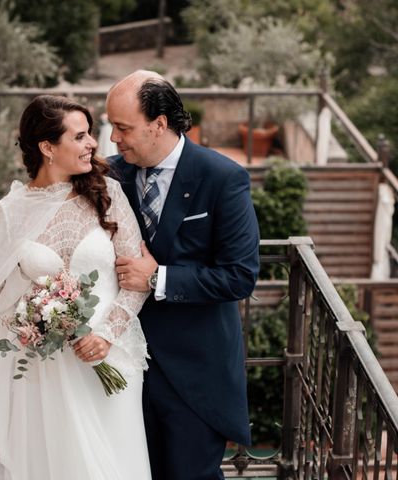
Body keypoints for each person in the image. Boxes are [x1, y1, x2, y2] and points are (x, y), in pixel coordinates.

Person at [0, 95, 152, 480]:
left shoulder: (109, 194)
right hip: (43, 372)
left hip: (109, 359)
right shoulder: (11, 211)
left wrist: (105, 334)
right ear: (48, 147)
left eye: (89, 136)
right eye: (80, 136)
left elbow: (136, 282)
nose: (92, 144)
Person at [106, 70, 260, 480]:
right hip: (122, 369)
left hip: (194, 375)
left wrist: (158, 280)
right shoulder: (109, 176)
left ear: (159, 124)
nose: (114, 139)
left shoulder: (223, 178)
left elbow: (240, 275)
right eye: (110, 127)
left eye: (123, 128)